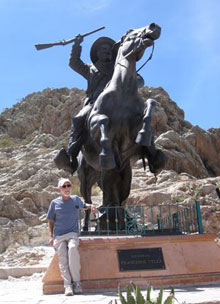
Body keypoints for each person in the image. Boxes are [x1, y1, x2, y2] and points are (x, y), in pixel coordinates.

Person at [54, 35, 118, 174]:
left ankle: (150, 151)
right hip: (94, 103)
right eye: (103, 49)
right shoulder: (90, 69)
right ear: (97, 53)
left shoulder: (117, 68)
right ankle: (71, 156)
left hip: (115, 101)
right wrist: (76, 45)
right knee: (79, 119)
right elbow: (74, 62)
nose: (107, 51)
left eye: (109, 49)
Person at [46, 177, 96, 296]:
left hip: (72, 234)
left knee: (73, 250)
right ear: (59, 189)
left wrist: (92, 206)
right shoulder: (54, 203)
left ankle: (77, 283)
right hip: (59, 236)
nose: (67, 188)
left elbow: (84, 205)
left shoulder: (75, 199)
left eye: (68, 186)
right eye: (64, 186)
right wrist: (51, 236)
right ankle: (67, 286)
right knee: (63, 260)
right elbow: (51, 220)